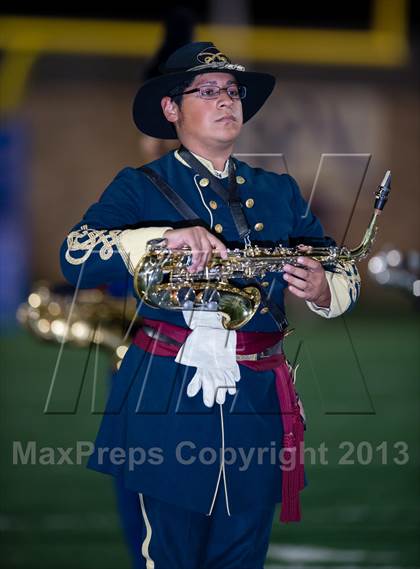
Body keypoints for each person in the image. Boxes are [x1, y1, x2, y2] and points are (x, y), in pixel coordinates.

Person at [60, 41, 360, 569]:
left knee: (243, 555)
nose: (226, 101)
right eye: (207, 91)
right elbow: (75, 254)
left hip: (259, 400)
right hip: (166, 398)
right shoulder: (139, 187)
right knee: (170, 555)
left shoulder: (279, 190)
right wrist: (161, 238)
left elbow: (340, 264)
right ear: (171, 109)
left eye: (231, 91)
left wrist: (324, 287)